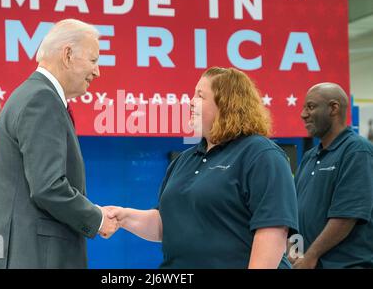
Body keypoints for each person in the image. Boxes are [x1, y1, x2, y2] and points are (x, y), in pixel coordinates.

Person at [106, 67, 299, 268]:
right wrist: (124, 217)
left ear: (227, 104)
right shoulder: (184, 160)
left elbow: (273, 230)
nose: (190, 102)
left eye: (200, 96)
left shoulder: (261, 154)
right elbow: (166, 224)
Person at [0, 19, 118, 269]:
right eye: (93, 60)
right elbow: (48, 187)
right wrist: (96, 217)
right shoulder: (41, 99)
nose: (97, 71)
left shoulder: (31, 95)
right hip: (34, 256)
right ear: (68, 55)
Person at [292, 83, 373, 269]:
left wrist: (311, 256)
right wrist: (293, 250)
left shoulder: (357, 152)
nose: (303, 114)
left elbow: (347, 215)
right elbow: (295, 212)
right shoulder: (309, 157)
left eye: (310, 107)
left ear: (333, 108)